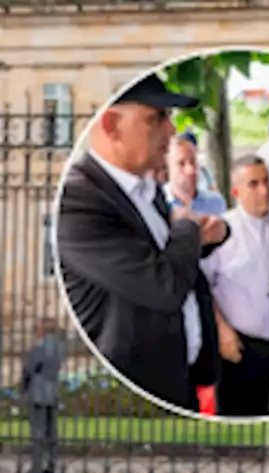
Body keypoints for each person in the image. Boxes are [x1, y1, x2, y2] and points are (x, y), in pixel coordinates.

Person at [55, 74, 227, 411]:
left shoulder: (143, 188)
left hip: (181, 374)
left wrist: (205, 237)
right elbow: (163, 286)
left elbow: (160, 258)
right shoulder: (78, 200)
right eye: (156, 117)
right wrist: (189, 228)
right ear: (110, 125)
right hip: (140, 388)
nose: (171, 130)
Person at [201, 155, 269, 417]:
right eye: (253, 184)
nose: (264, 190)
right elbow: (202, 288)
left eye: (266, 181)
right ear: (236, 191)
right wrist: (222, 332)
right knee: (240, 415)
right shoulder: (221, 232)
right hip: (240, 346)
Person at [21, 319, 67, 473]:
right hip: (53, 392)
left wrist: (23, 388)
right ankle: (52, 464)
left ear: (43, 331)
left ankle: (36, 467)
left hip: (39, 392)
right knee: (52, 431)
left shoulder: (38, 348)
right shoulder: (60, 348)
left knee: (38, 431)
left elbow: (29, 369)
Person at [165, 131, 226, 217]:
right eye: (181, 164)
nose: (191, 170)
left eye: (193, 162)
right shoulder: (158, 206)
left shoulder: (216, 203)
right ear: (167, 167)